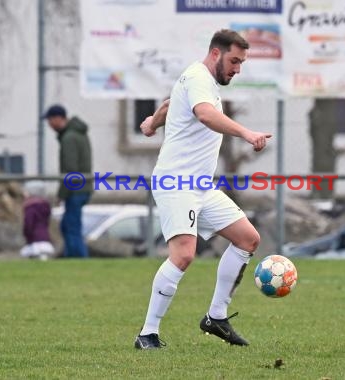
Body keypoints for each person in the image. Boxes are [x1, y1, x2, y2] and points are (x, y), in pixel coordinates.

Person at [134, 29, 272, 349]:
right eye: (234, 61)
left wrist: (152, 123)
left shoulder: (200, 81)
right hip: (176, 181)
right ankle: (147, 334)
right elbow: (205, 115)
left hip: (199, 185)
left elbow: (171, 104)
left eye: (241, 63)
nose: (237, 69)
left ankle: (216, 317)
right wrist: (247, 134)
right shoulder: (199, 78)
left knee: (247, 239)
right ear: (215, 54)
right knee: (183, 255)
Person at [42, 104, 93, 258]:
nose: (49, 125)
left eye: (50, 120)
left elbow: (70, 171)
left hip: (75, 189)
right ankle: (73, 257)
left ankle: (77, 259)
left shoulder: (69, 138)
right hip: (83, 187)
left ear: (58, 119)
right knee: (69, 225)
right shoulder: (79, 134)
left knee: (71, 227)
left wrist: (61, 195)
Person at [20, 181, 55, 261]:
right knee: (42, 254)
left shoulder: (30, 207)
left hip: (35, 237)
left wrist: (26, 232)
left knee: (35, 252)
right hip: (45, 236)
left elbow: (29, 222)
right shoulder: (45, 206)